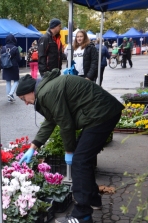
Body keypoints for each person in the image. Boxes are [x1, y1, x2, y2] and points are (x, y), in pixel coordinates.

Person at [16, 69, 124, 223]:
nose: (26, 103)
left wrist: (69, 151)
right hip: (99, 114)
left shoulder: (47, 92)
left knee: (80, 161)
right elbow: (51, 120)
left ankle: (82, 215)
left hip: (101, 114)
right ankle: (93, 199)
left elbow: (65, 123)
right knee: (83, 160)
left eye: (23, 98)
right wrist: (33, 146)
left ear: (29, 91)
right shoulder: (45, 90)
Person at [1, 34, 21, 102]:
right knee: (16, 80)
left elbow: (1, 58)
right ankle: (11, 93)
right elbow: (18, 59)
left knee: (8, 81)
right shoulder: (15, 48)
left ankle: (9, 98)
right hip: (14, 66)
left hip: (5, 66)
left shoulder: (3, 48)